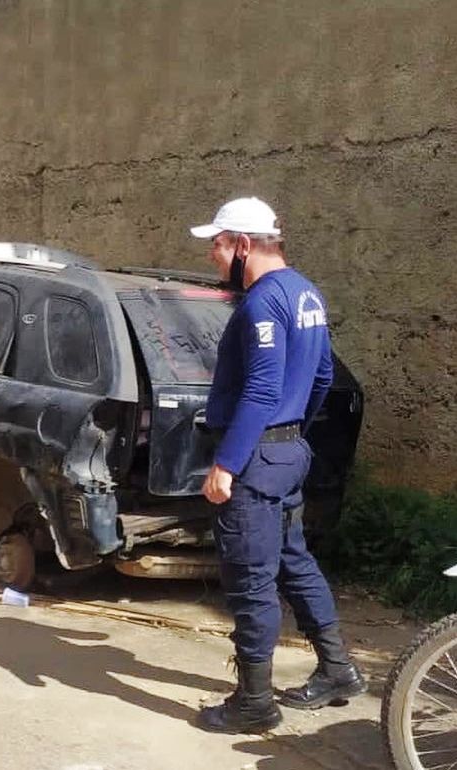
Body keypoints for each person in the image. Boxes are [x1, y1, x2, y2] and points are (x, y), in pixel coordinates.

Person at [189, 197, 366, 734]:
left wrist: (229, 461)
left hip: (257, 460)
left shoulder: (262, 303)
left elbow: (263, 388)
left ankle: (253, 703)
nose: (213, 257)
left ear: (243, 245)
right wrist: (291, 437)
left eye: (217, 246)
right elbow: (318, 380)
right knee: (293, 560)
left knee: (250, 578)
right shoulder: (306, 292)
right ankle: (338, 670)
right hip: (287, 455)